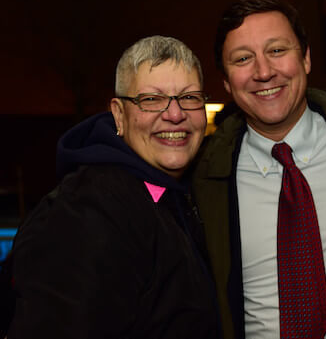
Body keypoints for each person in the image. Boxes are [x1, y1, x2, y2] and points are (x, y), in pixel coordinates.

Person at [193, 0, 326, 339]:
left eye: (276, 50)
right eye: (243, 59)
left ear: (306, 58)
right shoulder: (202, 180)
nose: (263, 72)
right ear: (226, 82)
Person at [6, 36, 220, 339]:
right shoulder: (89, 209)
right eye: (151, 99)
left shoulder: (178, 195)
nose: (175, 114)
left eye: (189, 97)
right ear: (119, 114)